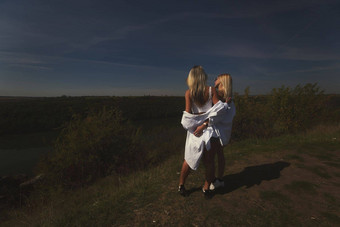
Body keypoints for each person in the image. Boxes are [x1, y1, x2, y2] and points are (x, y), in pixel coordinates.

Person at [178, 65, 219, 196]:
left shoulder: (189, 93)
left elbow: (188, 114)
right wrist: (205, 123)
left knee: (189, 158)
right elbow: (218, 111)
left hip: (195, 129)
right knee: (209, 160)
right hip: (208, 128)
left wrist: (197, 125)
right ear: (203, 77)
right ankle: (206, 188)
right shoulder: (211, 90)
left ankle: (181, 185)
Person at [209, 73, 235, 190]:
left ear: (222, 81)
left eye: (216, 79)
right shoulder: (228, 96)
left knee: (212, 156)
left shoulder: (220, 94)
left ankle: (214, 180)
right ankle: (219, 179)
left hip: (218, 130)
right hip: (223, 129)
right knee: (219, 154)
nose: (214, 80)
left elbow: (217, 113)